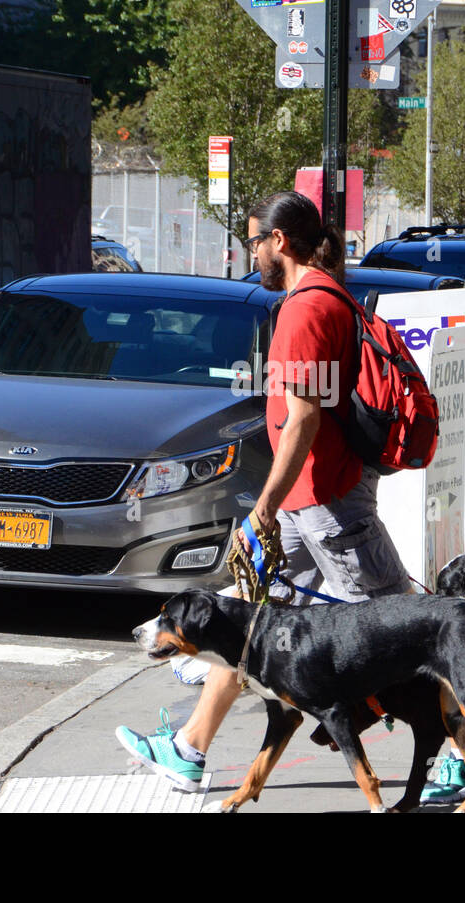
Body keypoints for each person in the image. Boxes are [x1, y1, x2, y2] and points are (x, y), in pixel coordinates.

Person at [113, 190, 412, 791]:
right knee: (247, 628)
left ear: (279, 241)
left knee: (406, 631)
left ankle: (460, 755)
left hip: (326, 502)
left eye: (253, 241)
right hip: (310, 501)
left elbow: (302, 418)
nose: (250, 254)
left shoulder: (307, 308)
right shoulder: (324, 298)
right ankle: (188, 749)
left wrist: (264, 509)